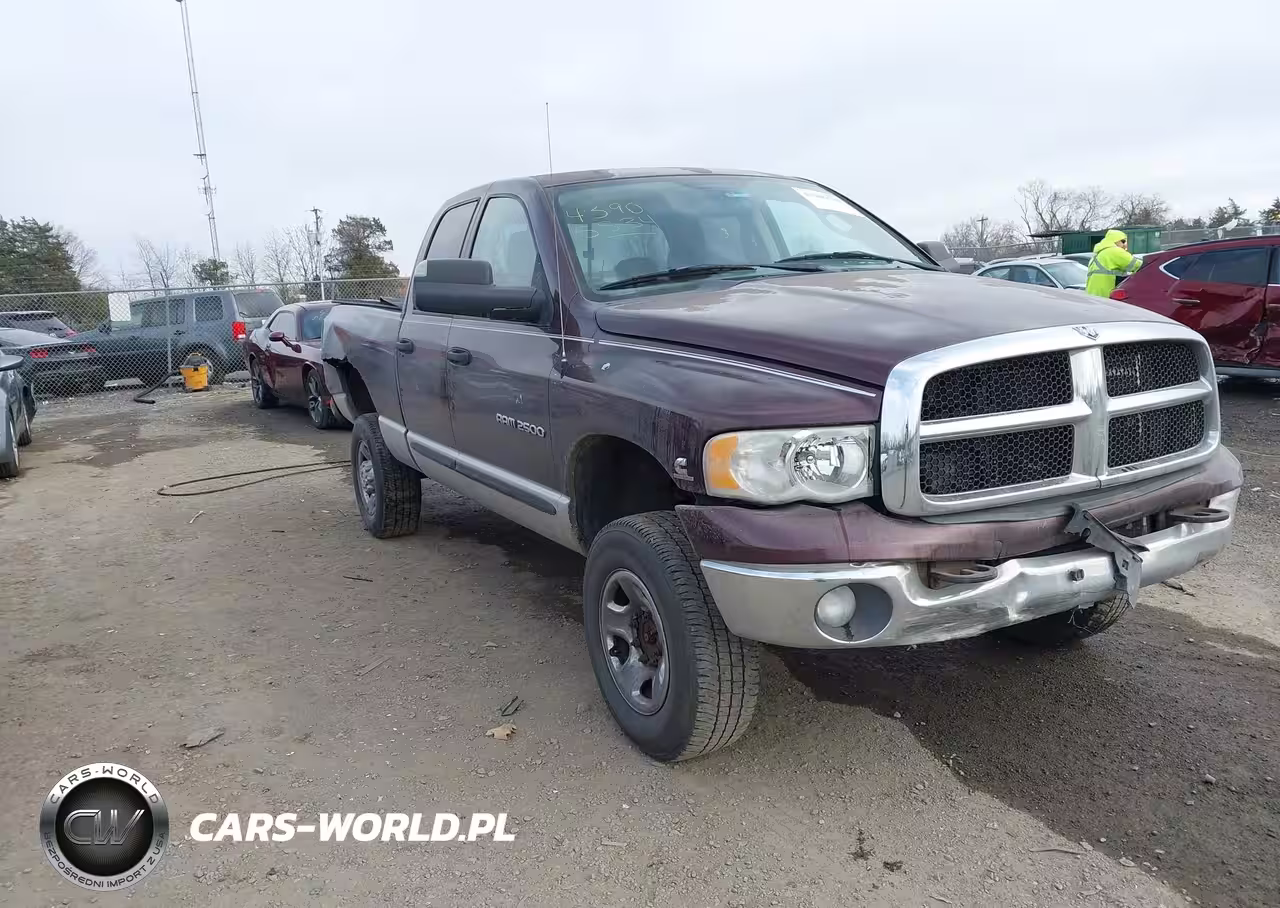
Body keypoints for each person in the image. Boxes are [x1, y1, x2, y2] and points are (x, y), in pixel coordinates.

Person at [1085, 229, 1141, 297]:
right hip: (1106, 296)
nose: (1125, 245)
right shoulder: (1114, 251)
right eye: (1123, 241)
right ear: (1115, 240)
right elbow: (1138, 265)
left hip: (1092, 296)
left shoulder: (1097, 255)